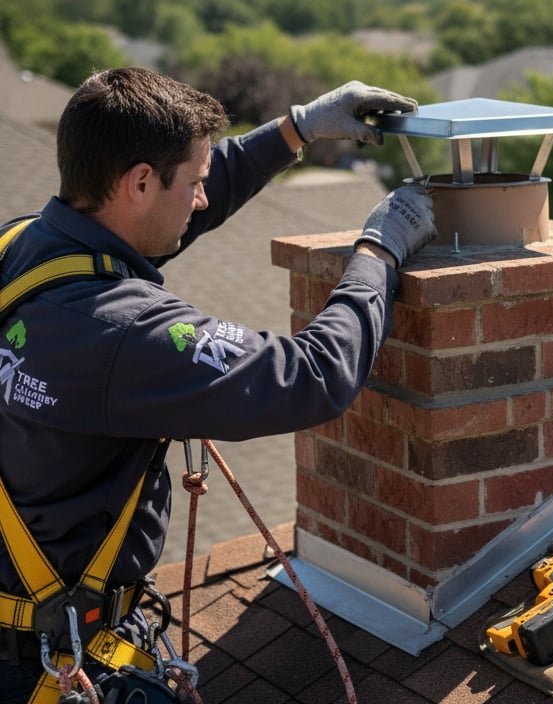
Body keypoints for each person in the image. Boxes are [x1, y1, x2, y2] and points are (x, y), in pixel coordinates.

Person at [0, 67, 436, 702]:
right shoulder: (121, 333)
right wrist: (378, 254)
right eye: (195, 184)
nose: (204, 199)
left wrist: (297, 129)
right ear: (139, 182)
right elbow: (312, 375)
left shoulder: (24, 246)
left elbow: (166, 216)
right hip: (52, 666)